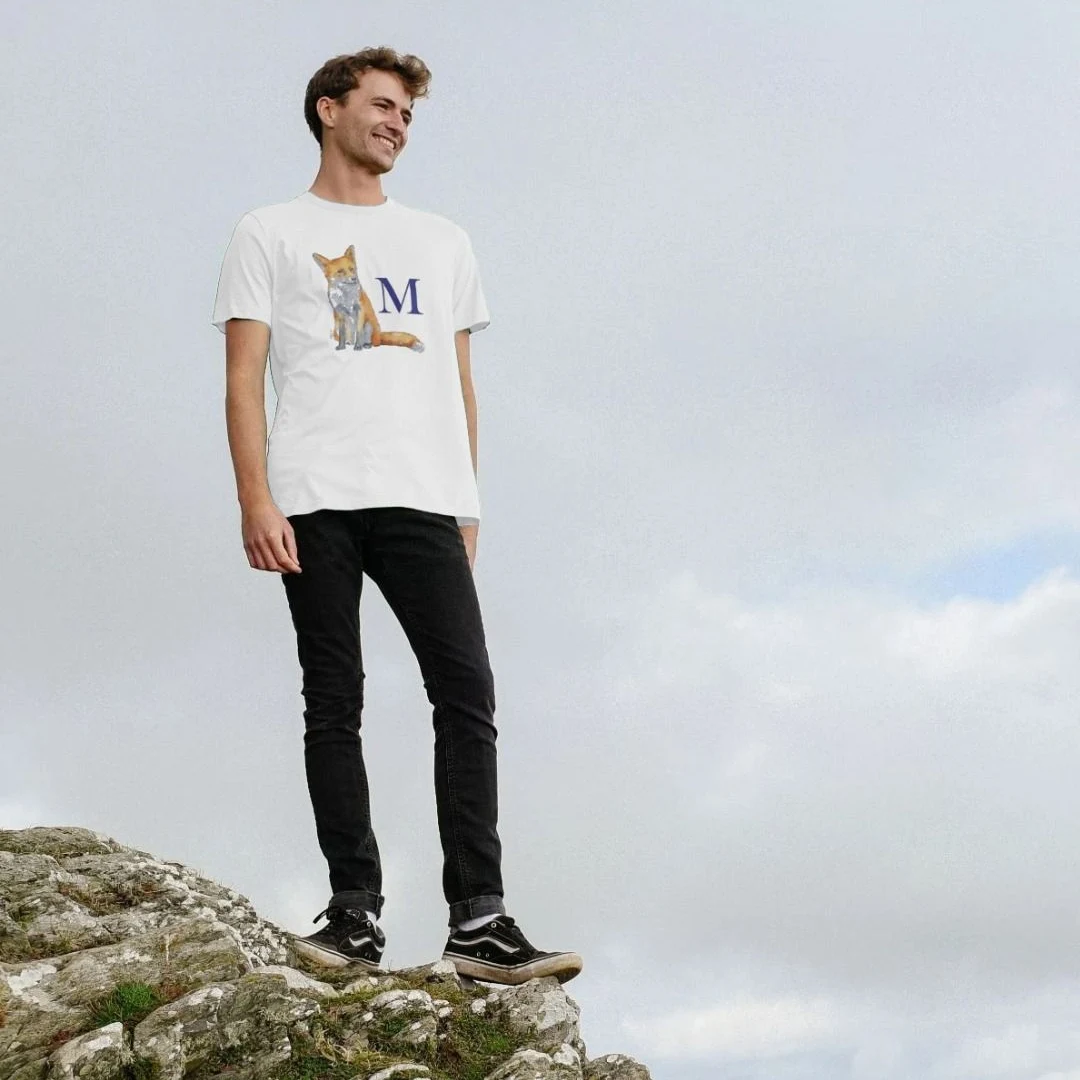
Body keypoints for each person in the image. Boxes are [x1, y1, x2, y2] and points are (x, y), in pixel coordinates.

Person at [210, 47, 581, 986]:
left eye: (407, 114)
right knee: (334, 699)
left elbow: (460, 381)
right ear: (328, 110)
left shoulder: (442, 240)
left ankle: (480, 920)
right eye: (382, 106)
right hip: (313, 496)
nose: (397, 125)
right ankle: (354, 914)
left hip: (425, 497)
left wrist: (468, 503)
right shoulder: (268, 231)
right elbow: (244, 379)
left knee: (467, 692)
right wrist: (256, 498)